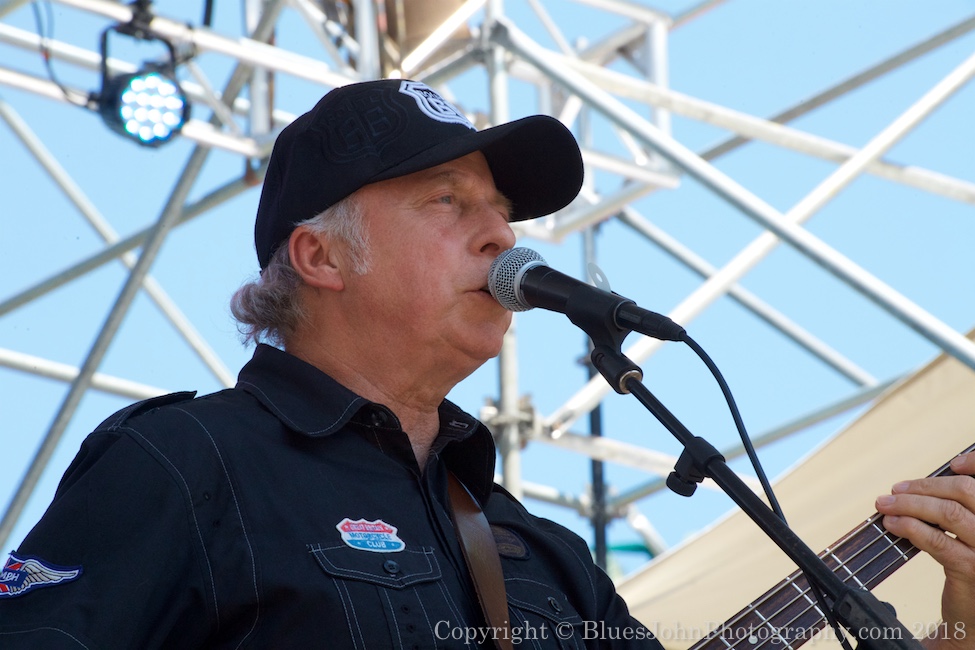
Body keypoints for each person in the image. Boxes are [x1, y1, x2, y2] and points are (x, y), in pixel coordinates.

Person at [0, 79, 972, 649]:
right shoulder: (186, 461)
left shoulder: (540, 554)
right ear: (321, 255)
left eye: (500, 209)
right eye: (447, 200)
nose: (502, 233)